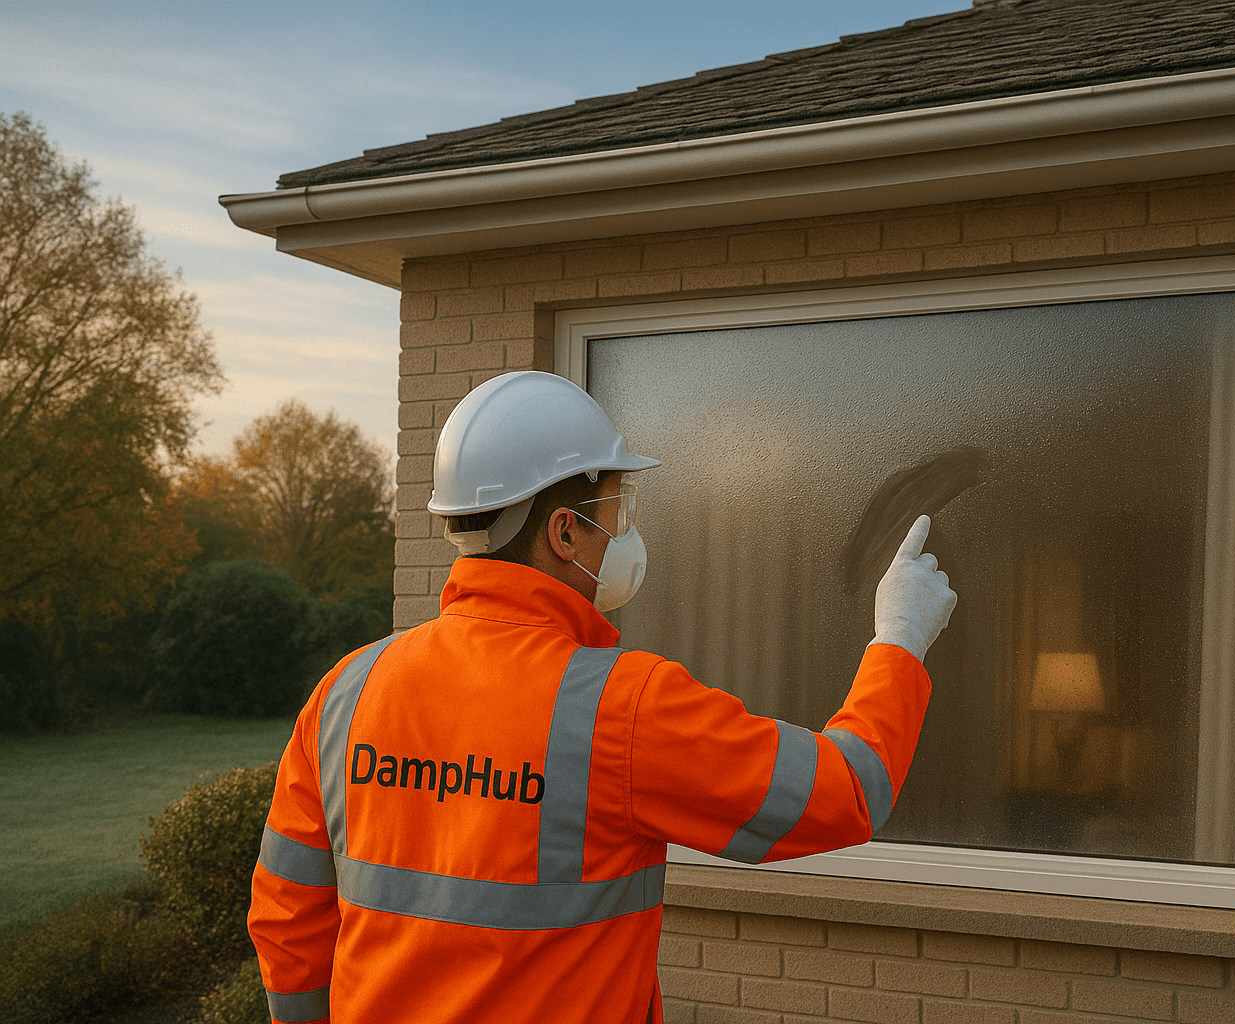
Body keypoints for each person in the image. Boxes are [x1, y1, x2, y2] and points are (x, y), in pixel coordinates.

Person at [248, 370, 957, 1024]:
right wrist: (900, 639)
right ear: (563, 533)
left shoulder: (347, 690)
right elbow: (846, 791)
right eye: (616, 513)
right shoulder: (623, 709)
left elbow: (287, 916)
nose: (626, 533)